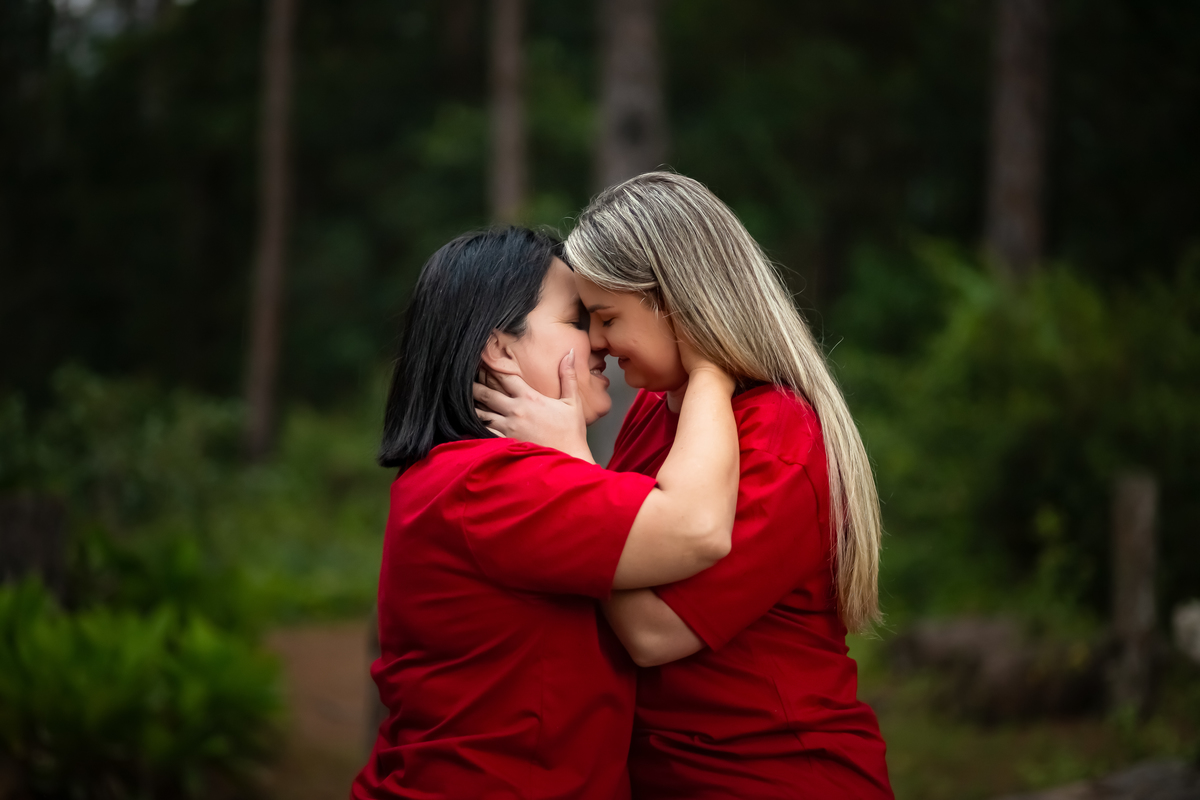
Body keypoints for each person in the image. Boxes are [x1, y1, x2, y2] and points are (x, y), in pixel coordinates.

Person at [479, 173, 894, 799]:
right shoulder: (654, 410)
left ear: (676, 302)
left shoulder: (780, 436)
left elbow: (654, 633)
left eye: (608, 317)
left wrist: (570, 464)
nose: (597, 341)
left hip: (773, 774)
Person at [351, 226, 742, 800]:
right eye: (577, 320)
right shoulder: (491, 482)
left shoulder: (457, 474)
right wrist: (710, 364)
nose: (601, 343)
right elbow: (697, 530)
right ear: (499, 348)